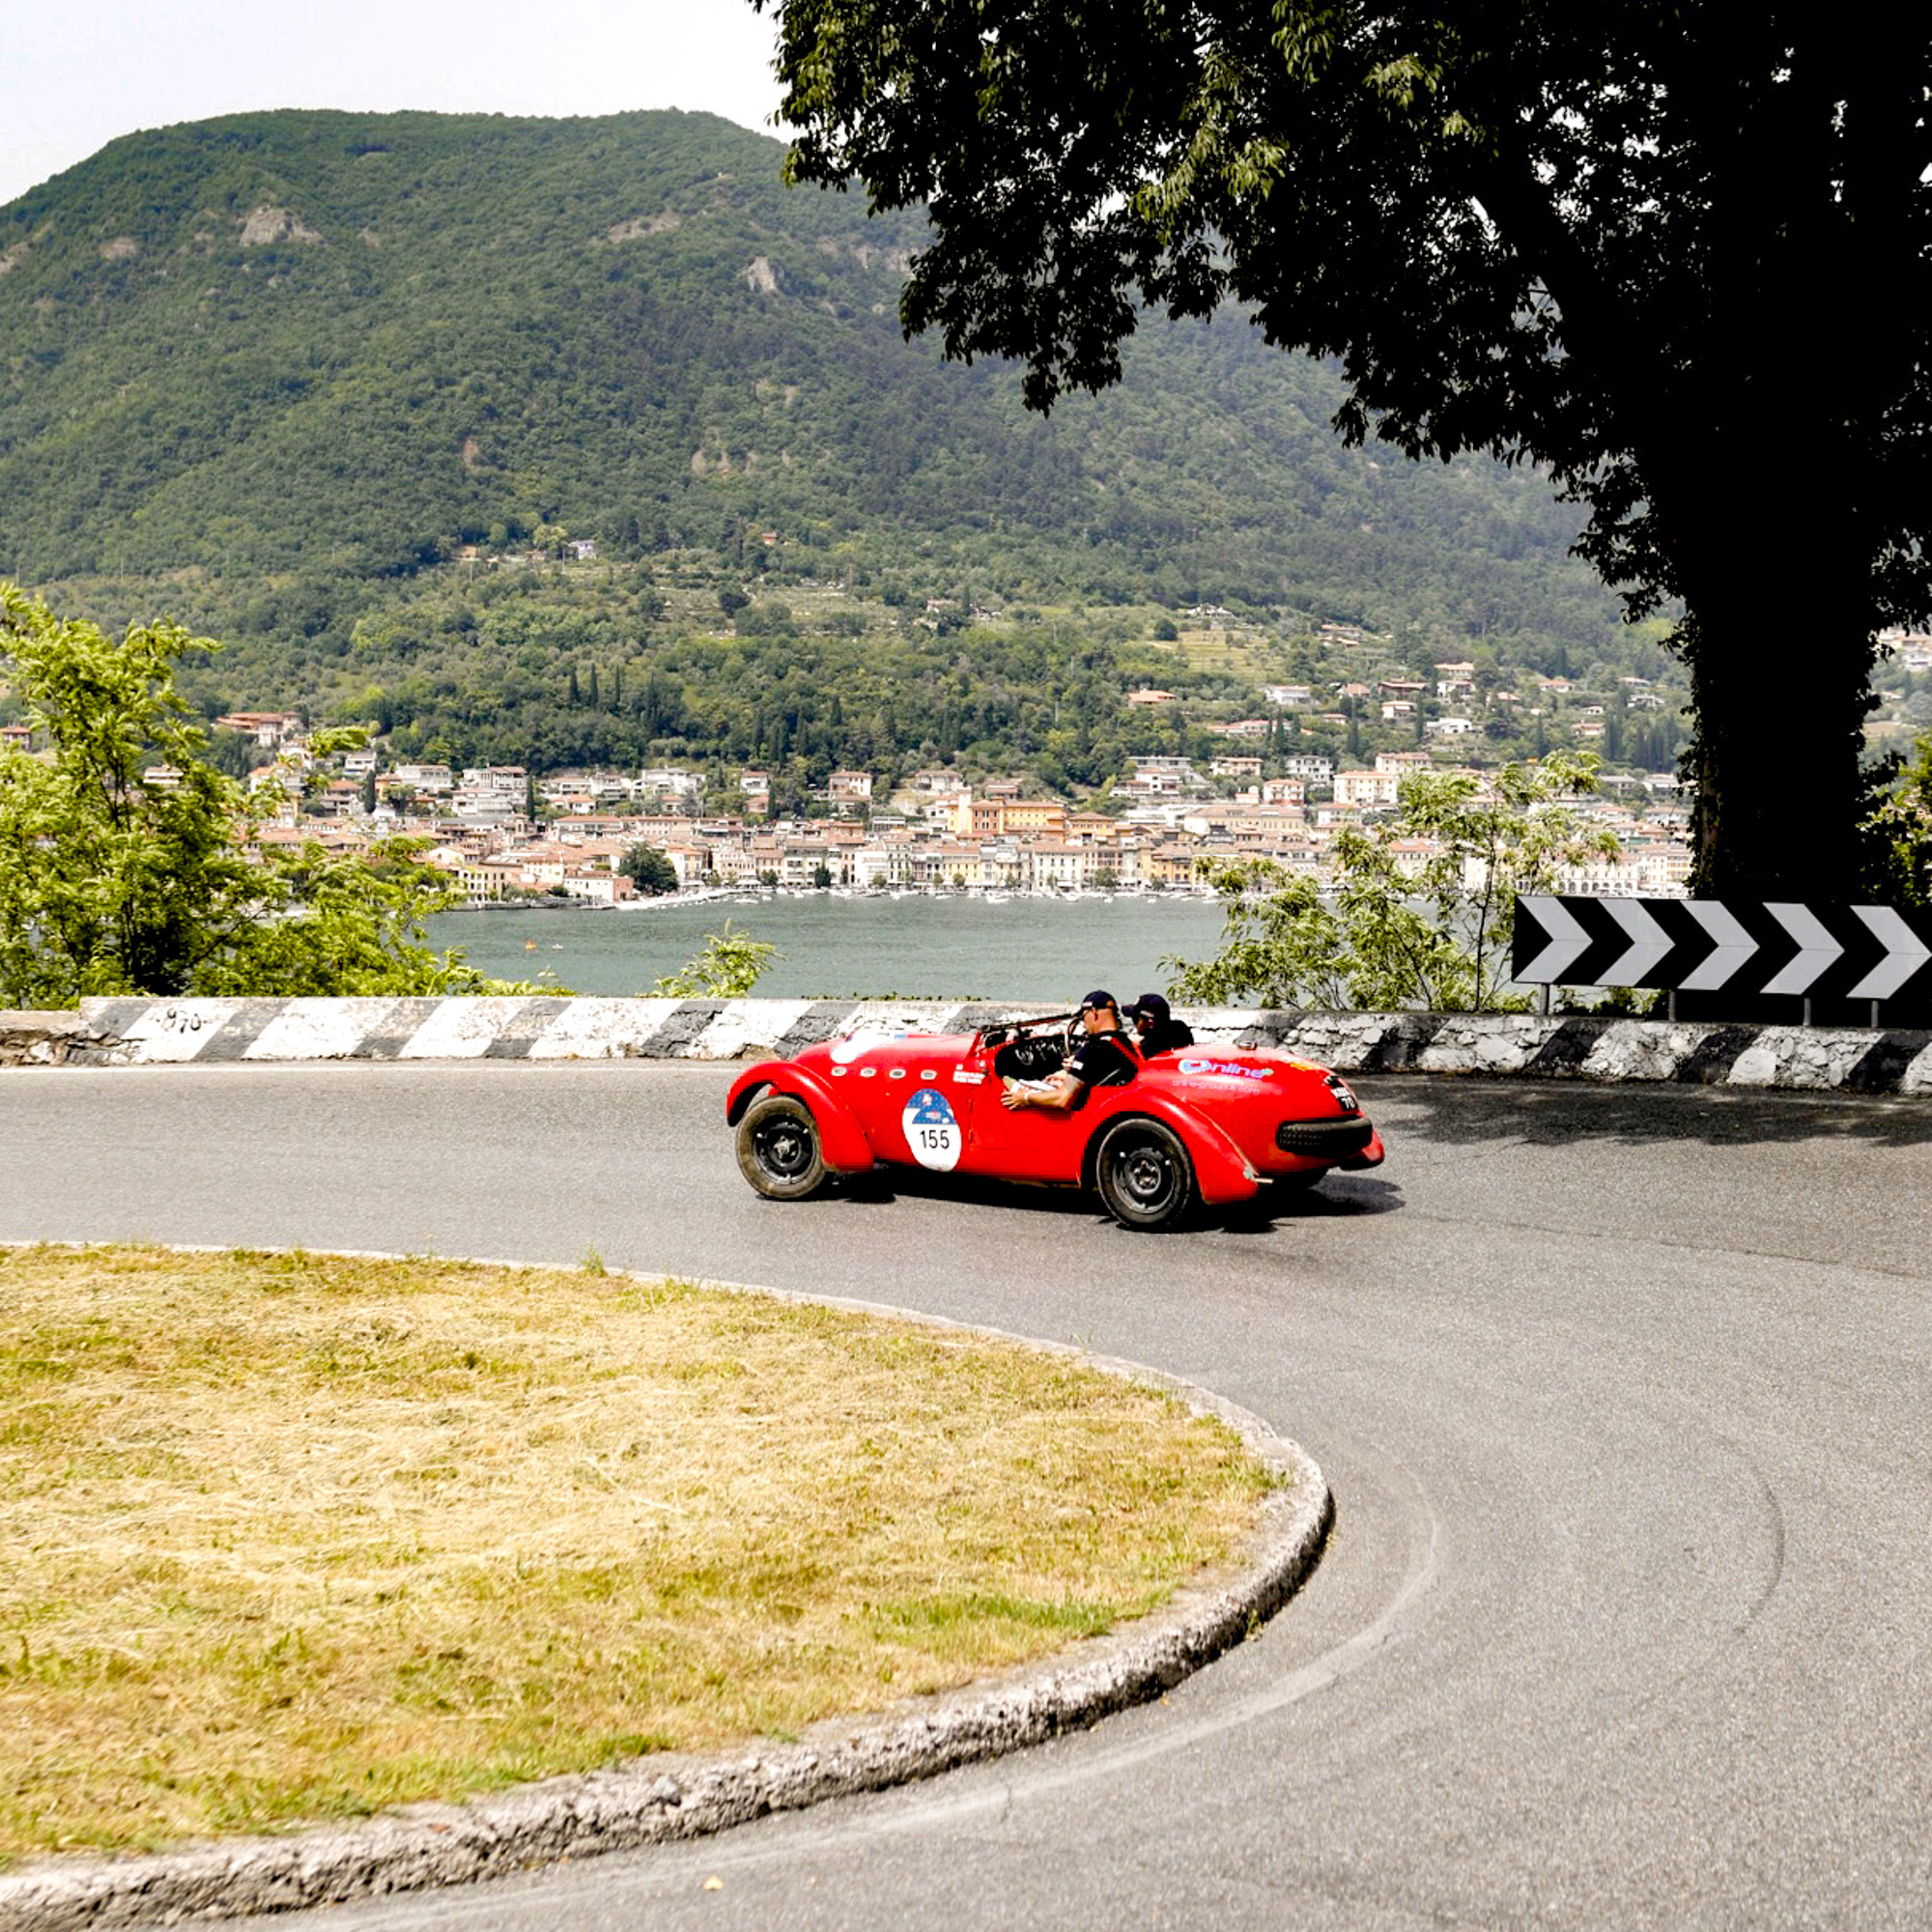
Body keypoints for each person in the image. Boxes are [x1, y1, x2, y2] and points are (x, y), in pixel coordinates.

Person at [1000, 989, 1138, 1113]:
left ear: (1093, 1013)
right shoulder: (1125, 1043)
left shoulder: (1093, 1050)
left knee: (1011, 1084)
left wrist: (1024, 1098)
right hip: (1113, 1103)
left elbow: (1063, 1099)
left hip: (1083, 1113)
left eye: (1083, 1017)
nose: (1084, 1023)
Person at [1123, 991, 1194, 1059]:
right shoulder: (1181, 1029)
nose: (1134, 1023)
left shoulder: (1149, 1046)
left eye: (1135, 1018)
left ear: (1150, 1022)